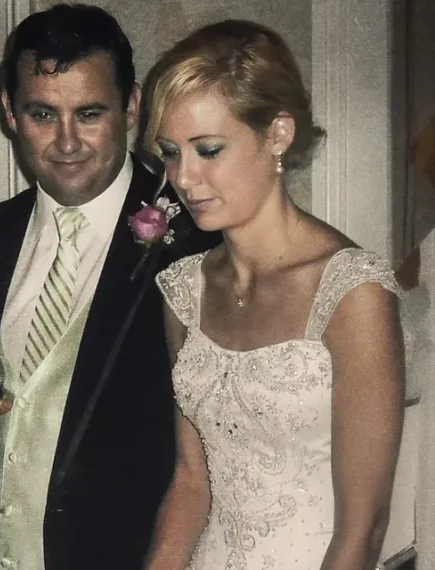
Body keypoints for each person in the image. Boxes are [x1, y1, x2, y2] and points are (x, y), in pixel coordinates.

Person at [0, 5, 219, 569]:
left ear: (131, 108)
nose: (66, 143)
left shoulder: (198, 244)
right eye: (42, 114)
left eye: (89, 114)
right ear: (9, 111)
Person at [141, 20, 405, 569]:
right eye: (170, 153)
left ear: (278, 134)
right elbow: (191, 481)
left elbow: (364, 527)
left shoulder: (352, 292)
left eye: (208, 149)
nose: (183, 178)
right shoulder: (184, 290)